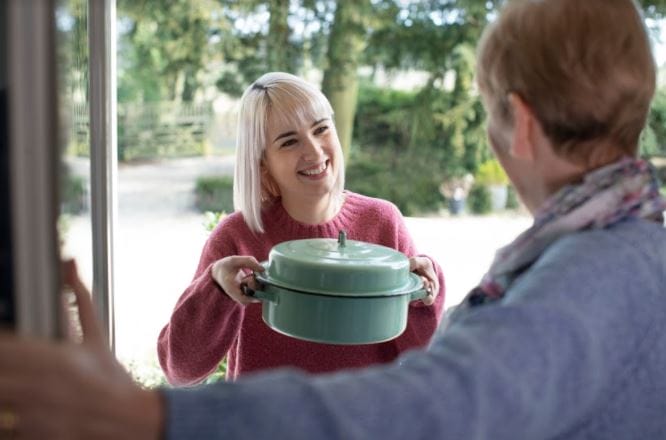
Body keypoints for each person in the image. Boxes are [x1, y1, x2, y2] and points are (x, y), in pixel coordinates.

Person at [1, 0, 665, 438]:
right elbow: (183, 362)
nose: (315, 151)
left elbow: (436, 403)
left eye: (488, 111)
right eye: (289, 141)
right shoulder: (632, 246)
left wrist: (143, 418)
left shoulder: (584, 275)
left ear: (517, 122)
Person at [157, 72, 445, 385]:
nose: (315, 151)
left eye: (321, 129)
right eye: (289, 141)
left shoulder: (382, 221)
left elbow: (423, 355)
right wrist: (215, 288)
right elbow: (180, 370)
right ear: (262, 163)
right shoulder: (236, 238)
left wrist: (425, 291)